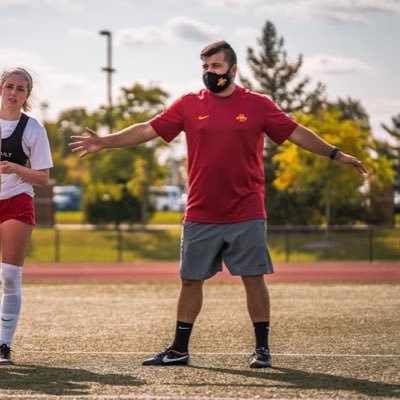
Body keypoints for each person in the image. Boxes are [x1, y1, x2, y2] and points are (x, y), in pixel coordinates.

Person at [70, 41, 367, 368]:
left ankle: (262, 349)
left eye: (216, 67)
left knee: (253, 278)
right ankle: (179, 350)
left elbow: (296, 132)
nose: (210, 73)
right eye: (206, 67)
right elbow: (148, 130)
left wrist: (337, 154)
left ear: (233, 69)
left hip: (246, 209)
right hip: (201, 210)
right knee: (190, 280)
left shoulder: (258, 105)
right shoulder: (188, 104)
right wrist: (105, 142)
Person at [0, 67, 53, 364]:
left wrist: (16, 169)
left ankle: (3, 344)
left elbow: (43, 178)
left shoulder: (33, 129)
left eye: (20, 89)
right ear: (0, 89)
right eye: (9, 86)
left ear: (27, 95)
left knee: (9, 275)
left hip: (16, 201)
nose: (13, 93)